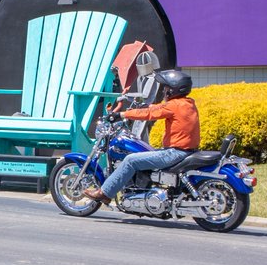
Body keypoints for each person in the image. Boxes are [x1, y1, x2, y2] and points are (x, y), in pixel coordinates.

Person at [84, 68, 199, 206]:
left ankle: (105, 193)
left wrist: (121, 114)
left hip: (174, 153)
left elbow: (151, 114)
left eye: (166, 88)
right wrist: (148, 106)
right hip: (183, 151)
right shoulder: (188, 103)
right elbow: (158, 108)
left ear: (172, 90)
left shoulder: (174, 105)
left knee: (130, 160)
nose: (164, 91)